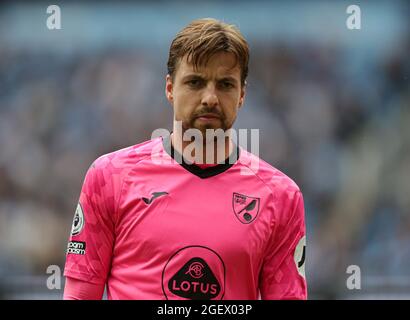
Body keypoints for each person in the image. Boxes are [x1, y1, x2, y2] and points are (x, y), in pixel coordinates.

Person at [63, 18, 307, 300]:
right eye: (195, 82)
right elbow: (80, 295)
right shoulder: (110, 178)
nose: (210, 98)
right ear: (169, 88)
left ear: (242, 94)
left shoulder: (281, 197)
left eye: (225, 84)